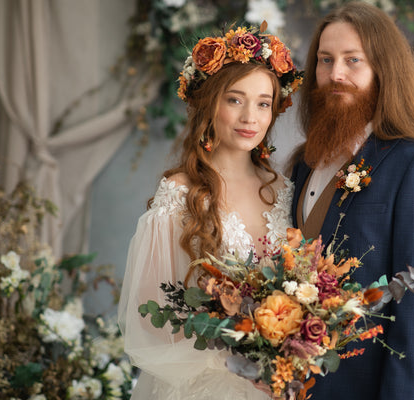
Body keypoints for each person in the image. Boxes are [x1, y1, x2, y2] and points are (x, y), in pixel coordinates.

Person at [289, 2, 414, 399]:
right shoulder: (303, 164)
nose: (335, 74)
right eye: (325, 60)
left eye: (352, 60)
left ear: (383, 70)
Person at [118, 25, 302, 400]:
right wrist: (238, 358)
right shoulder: (179, 194)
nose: (250, 116)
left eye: (263, 103)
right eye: (235, 100)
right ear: (209, 103)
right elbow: (150, 321)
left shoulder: (285, 191)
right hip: (205, 387)